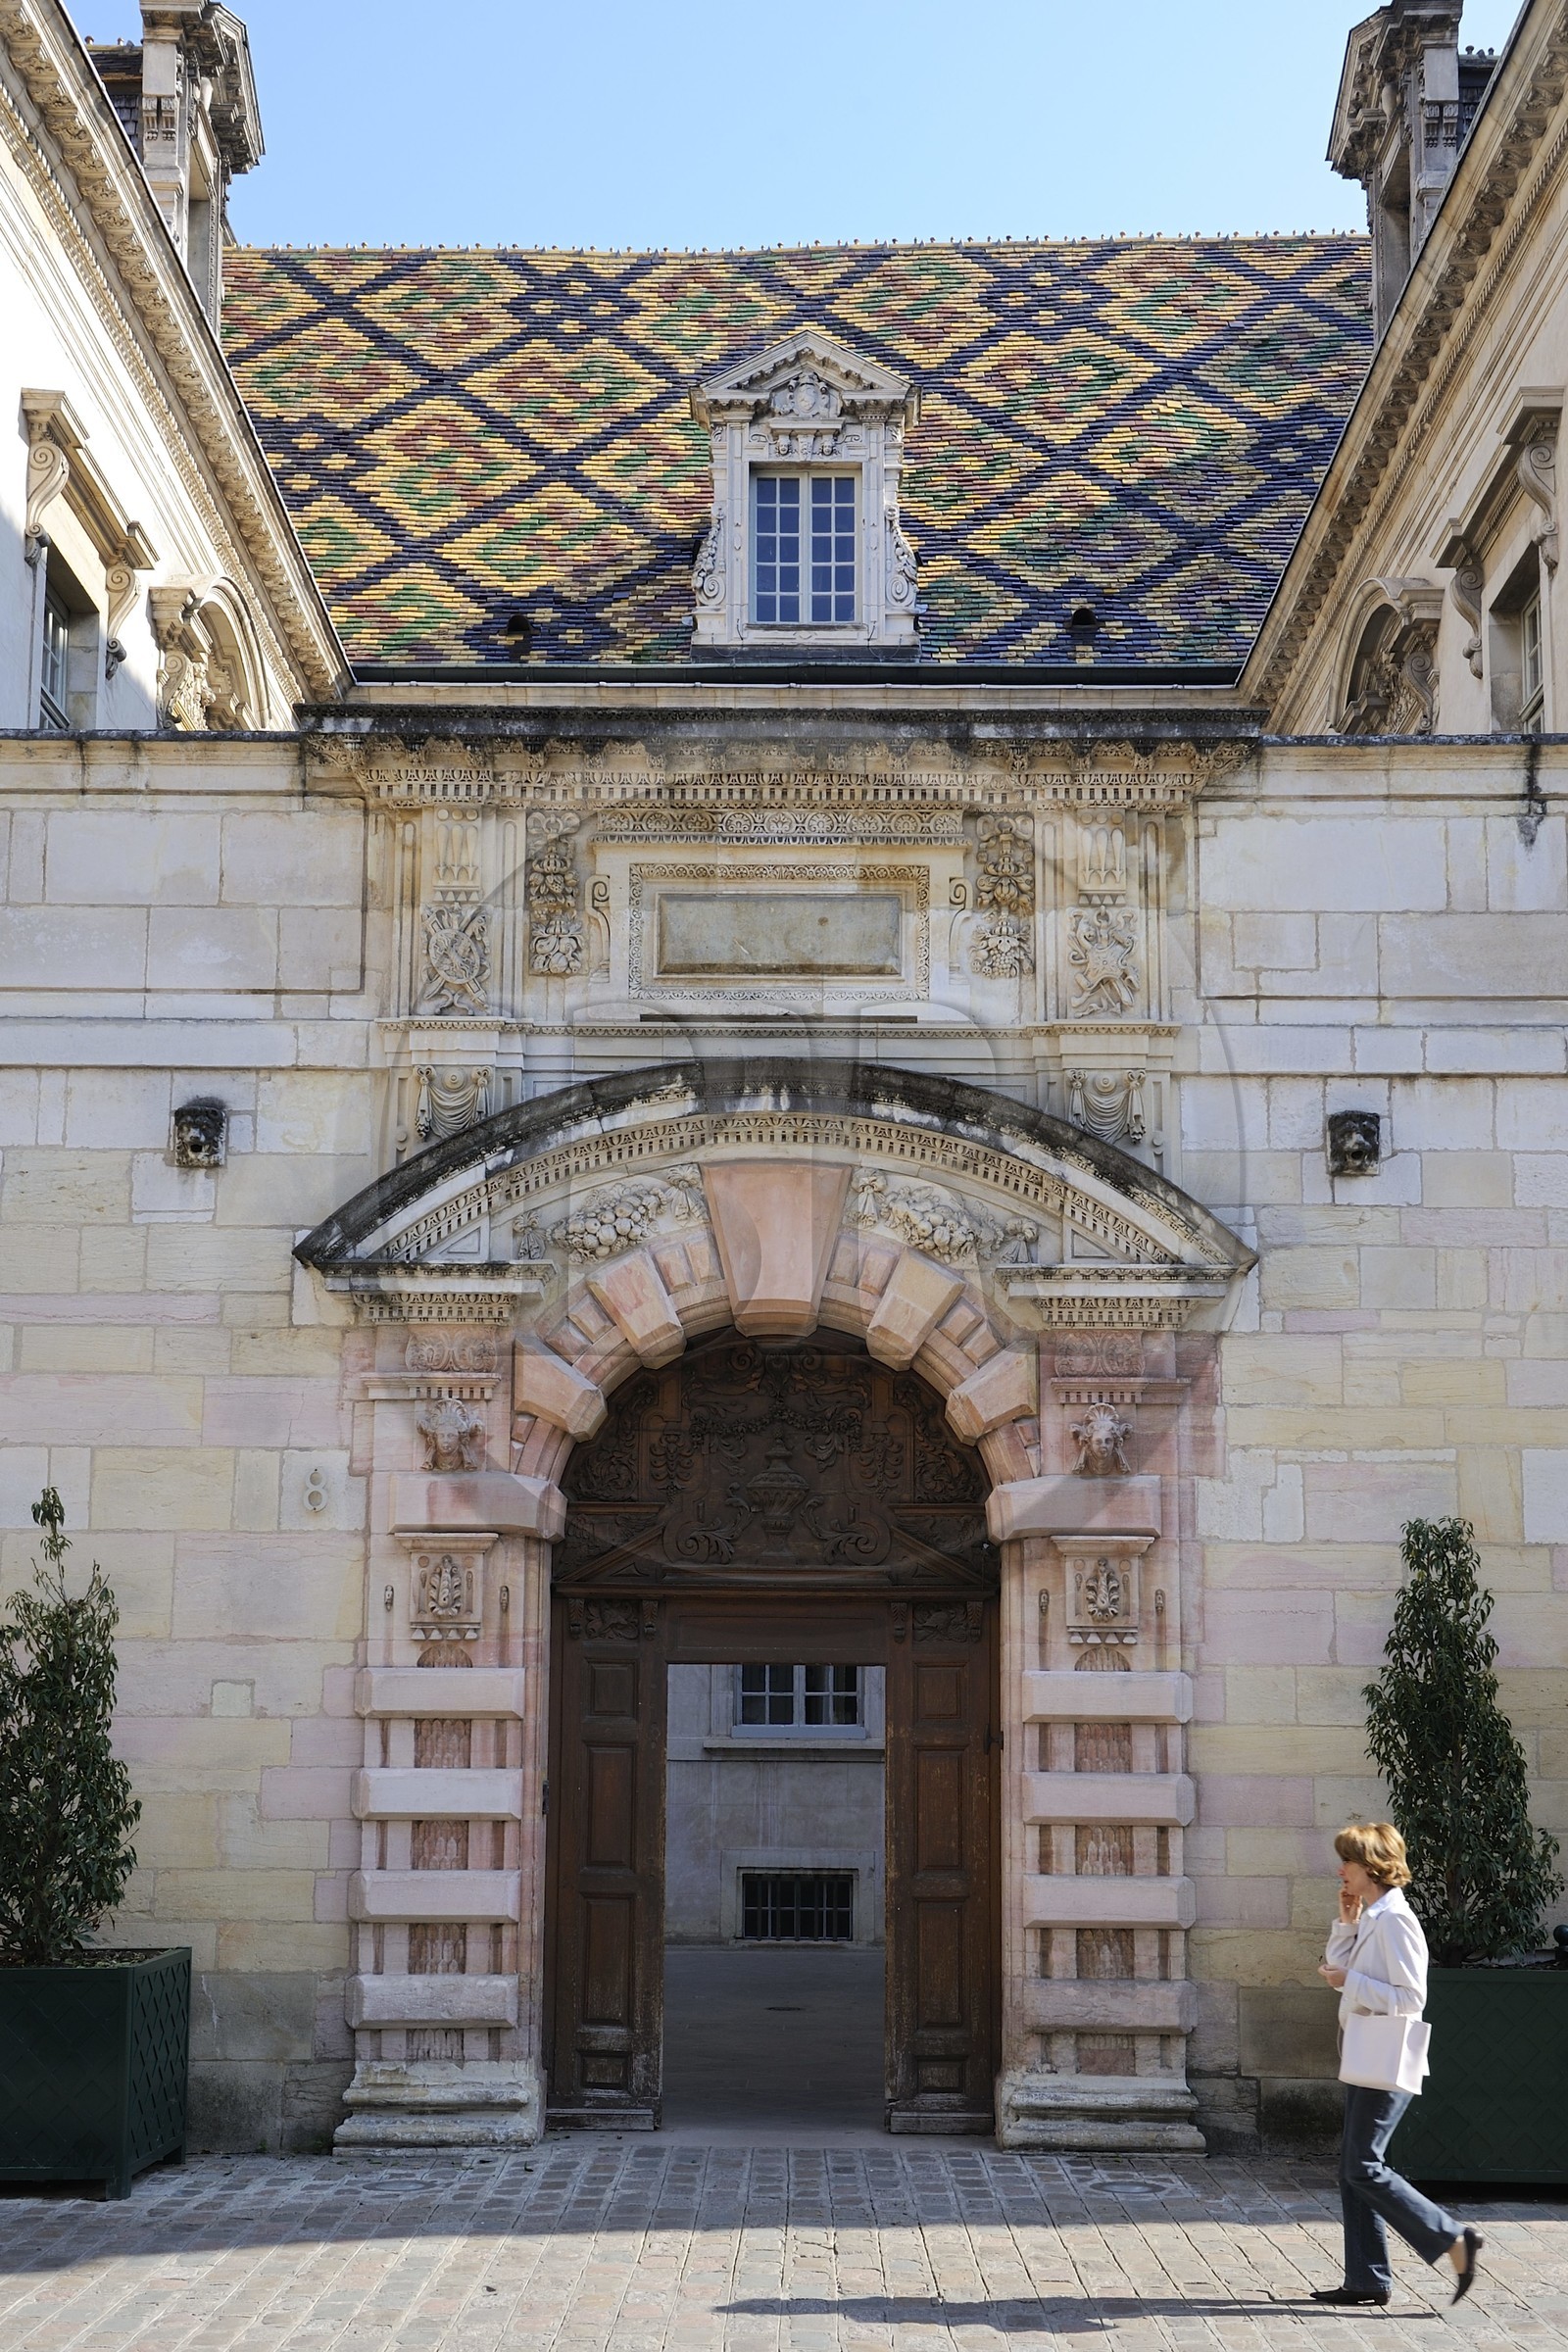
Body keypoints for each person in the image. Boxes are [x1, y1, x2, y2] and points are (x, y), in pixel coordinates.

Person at [1312, 1822, 1483, 2308]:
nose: (1340, 1869)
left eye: (1347, 1860)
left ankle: (1452, 2238)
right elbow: (1345, 1974)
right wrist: (1345, 1926)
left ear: (1371, 1867)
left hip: (1385, 2056)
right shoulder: (1372, 1915)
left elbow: (1411, 1998)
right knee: (1352, 2168)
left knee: (1363, 2166)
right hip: (1366, 2054)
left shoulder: (1395, 1920)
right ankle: (1366, 2279)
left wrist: (1349, 1980)